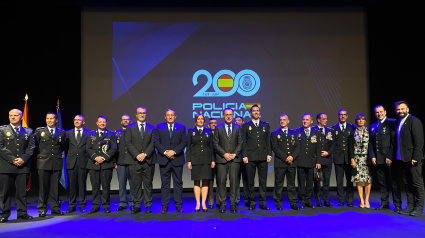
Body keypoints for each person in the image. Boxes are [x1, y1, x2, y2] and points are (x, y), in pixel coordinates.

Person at [0, 109, 35, 223]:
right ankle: (4, 214)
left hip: (23, 165)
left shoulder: (28, 131)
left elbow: (31, 148)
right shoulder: (2, 130)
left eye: (15, 115)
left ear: (21, 117)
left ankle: (22, 213)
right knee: (5, 192)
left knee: (22, 192)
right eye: (11, 115)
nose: (13, 117)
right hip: (7, 165)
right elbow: (1, 147)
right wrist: (13, 159)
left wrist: (23, 159)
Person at [389, 101, 424, 216]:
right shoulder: (399, 122)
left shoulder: (414, 121)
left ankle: (419, 208)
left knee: (417, 183)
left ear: (407, 109)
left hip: (413, 159)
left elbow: (419, 142)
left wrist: (416, 157)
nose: (400, 111)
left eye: (402, 109)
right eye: (398, 109)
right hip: (402, 158)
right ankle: (410, 205)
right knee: (407, 183)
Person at [369, 105, 402, 212]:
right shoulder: (373, 126)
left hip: (389, 159)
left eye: (381, 111)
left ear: (385, 112)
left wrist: (390, 156)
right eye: (377, 112)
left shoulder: (392, 123)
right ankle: (384, 203)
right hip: (378, 159)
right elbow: (371, 143)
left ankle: (397, 205)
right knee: (382, 183)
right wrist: (372, 156)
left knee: (393, 182)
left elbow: (394, 142)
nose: (379, 114)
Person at [154, 109, 187, 214]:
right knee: (165, 184)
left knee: (178, 183)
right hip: (164, 160)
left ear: (175, 116)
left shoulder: (181, 127)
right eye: (168, 115)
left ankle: (178, 205)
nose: (170, 117)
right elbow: (156, 142)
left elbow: (184, 142)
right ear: (165, 117)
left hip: (177, 159)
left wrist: (174, 152)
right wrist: (165, 152)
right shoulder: (159, 127)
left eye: (172, 115)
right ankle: (164, 206)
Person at [34, 112, 66, 216]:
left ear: (56, 120)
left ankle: (55, 209)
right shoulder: (40, 131)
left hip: (56, 162)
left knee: (55, 188)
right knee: (43, 187)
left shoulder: (61, 132)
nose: (49, 120)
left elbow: (62, 147)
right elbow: (36, 145)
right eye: (47, 118)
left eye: (51, 118)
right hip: (43, 162)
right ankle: (42, 209)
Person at [125, 107, 156, 214]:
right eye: (140, 113)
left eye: (144, 113)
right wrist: (137, 155)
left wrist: (145, 154)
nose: (142, 115)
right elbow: (128, 143)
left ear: (146, 114)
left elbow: (153, 143)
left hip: (148, 160)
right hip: (134, 160)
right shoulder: (129, 127)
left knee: (148, 184)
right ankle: (137, 205)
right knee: (136, 184)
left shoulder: (152, 128)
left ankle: (148, 205)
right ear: (136, 115)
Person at [242, 105, 272, 210]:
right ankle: (252, 202)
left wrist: (269, 154)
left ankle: (263, 202)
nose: (256, 112)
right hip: (250, 157)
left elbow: (268, 141)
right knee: (250, 181)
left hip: (263, 157)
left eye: (257, 110)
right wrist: (244, 155)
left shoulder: (266, 125)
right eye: (254, 111)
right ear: (250, 113)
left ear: (259, 112)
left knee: (263, 181)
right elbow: (243, 142)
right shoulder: (245, 126)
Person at [214, 108, 243, 213]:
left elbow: (240, 143)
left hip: (235, 160)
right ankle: (222, 204)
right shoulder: (218, 128)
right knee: (221, 182)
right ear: (223, 116)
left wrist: (234, 154)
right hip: (222, 159)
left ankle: (233, 204)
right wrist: (225, 154)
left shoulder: (238, 127)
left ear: (233, 115)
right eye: (226, 114)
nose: (228, 116)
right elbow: (215, 144)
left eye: (230, 114)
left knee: (234, 182)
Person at [86, 115, 117, 214]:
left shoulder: (111, 134)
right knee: (95, 187)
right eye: (100, 122)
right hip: (93, 164)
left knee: (106, 186)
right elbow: (88, 148)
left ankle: (106, 206)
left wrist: (103, 158)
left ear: (106, 123)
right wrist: (96, 157)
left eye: (104, 122)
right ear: (97, 123)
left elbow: (114, 148)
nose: (102, 123)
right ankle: (95, 206)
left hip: (106, 164)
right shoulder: (90, 134)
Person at [187, 114, 215, 212]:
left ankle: (203, 203)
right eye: (198, 119)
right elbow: (189, 147)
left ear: (204, 121)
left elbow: (211, 147)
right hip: (195, 160)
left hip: (206, 160)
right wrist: (189, 161)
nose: (200, 120)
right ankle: (198, 203)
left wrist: (212, 160)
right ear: (195, 121)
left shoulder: (208, 132)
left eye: (202, 119)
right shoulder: (191, 131)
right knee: (197, 181)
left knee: (206, 181)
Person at [271, 114, 300, 211]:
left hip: (291, 163)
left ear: (288, 121)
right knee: (279, 184)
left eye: (284, 120)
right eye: (281, 120)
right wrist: (285, 158)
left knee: (291, 184)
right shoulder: (274, 133)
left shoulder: (294, 133)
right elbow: (275, 148)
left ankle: (293, 203)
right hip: (280, 163)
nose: (282, 121)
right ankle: (278, 203)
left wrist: (292, 157)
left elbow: (297, 147)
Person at [65, 115, 91, 213]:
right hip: (71, 162)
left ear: (83, 122)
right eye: (75, 120)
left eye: (79, 120)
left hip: (83, 161)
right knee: (72, 185)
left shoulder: (89, 133)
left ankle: (82, 205)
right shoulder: (68, 133)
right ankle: (72, 205)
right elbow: (64, 146)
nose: (76, 121)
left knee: (82, 185)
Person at [295, 114, 321, 209]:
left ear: (311, 121)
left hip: (311, 161)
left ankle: (308, 201)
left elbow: (318, 149)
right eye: (303, 119)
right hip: (300, 161)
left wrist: (318, 161)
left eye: (307, 120)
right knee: (301, 183)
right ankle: (302, 201)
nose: (305, 121)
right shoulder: (297, 131)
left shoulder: (316, 133)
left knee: (310, 183)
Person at [331, 109, 356, 207]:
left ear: (347, 116)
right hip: (338, 158)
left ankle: (349, 200)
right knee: (339, 180)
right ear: (337, 116)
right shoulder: (333, 128)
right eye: (340, 115)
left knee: (350, 180)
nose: (342, 116)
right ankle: (341, 200)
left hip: (349, 158)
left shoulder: (352, 127)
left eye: (344, 115)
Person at [349, 114, 372, 208]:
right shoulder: (352, 133)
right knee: (359, 180)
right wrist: (352, 159)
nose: (360, 121)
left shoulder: (369, 132)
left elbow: (372, 146)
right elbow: (350, 147)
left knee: (367, 180)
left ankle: (367, 199)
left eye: (362, 119)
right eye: (358, 119)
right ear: (356, 121)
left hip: (367, 159)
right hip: (357, 158)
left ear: (365, 121)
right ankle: (361, 200)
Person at [313, 113, 335, 207]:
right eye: (324, 119)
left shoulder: (330, 131)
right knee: (317, 181)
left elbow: (333, 144)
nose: (326, 120)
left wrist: (328, 153)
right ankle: (318, 200)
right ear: (318, 120)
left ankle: (326, 200)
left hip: (327, 159)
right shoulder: (313, 130)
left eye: (326, 119)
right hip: (317, 160)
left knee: (326, 181)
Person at [114, 115, 135, 212]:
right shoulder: (116, 133)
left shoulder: (134, 132)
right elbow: (114, 149)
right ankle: (122, 203)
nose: (125, 121)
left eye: (127, 119)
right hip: (121, 162)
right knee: (121, 184)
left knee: (133, 184)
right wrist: (115, 162)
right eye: (123, 119)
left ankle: (133, 203)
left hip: (132, 162)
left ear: (130, 121)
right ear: (121, 122)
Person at [235, 116, 249, 207]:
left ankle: (247, 199)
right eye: (235, 121)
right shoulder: (233, 131)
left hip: (245, 158)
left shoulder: (245, 131)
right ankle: (236, 200)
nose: (237, 122)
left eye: (239, 120)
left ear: (242, 122)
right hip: (236, 159)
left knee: (246, 180)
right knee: (236, 180)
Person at [207, 118, 219, 209]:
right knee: (210, 183)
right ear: (208, 125)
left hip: (219, 160)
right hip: (209, 161)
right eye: (212, 123)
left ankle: (219, 202)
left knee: (220, 182)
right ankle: (210, 202)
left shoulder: (220, 133)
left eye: (215, 123)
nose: (214, 124)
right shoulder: (206, 134)